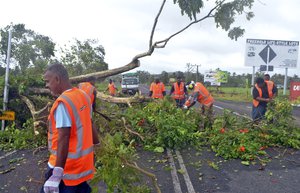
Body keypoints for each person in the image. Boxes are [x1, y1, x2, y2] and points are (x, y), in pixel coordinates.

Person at [42, 63, 98, 193]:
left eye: (47, 81)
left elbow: (63, 137)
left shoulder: (63, 103)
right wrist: (98, 144)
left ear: (57, 79)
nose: (46, 85)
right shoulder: (83, 96)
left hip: (65, 170)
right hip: (82, 167)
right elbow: (90, 123)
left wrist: (57, 173)